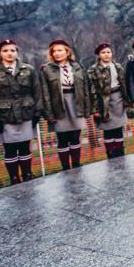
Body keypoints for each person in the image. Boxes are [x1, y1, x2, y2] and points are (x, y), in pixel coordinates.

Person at [0, 39, 43, 185]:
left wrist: (38, 112)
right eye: (5, 51)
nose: (9, 53)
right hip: (4, 116)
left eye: (12, 50)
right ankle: (14, 178)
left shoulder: (28, 69)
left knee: (24, 147)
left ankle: (27, 175)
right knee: (9, 149)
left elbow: (37, 91)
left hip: (25, 112)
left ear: (17, 52)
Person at [40, 40, 89, 170]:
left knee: (75, 137)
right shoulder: (47, 69)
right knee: (62, 138)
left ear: (67, 52)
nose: (56, 53)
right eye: (54, 51)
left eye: (60, 50)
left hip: (76, 103)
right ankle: (66, 167)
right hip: (59, 105)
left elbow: (85, 89)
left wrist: (87, 109)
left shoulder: (78, 67)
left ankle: (77, 164)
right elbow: (45, 93)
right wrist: (49, 114)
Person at [87, 42, 130, 158]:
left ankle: (120, 154)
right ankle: (111, 154)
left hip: (118, 99)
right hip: (103, 101)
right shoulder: (93, 70)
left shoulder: (117, 67)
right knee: (108, 129)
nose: (106, 55)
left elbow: (124, 85)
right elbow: (92, 91)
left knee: (118, 128)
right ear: (98, 55)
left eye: (108, 52)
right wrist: (95, 109)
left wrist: (127, 101)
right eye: (103, 53)